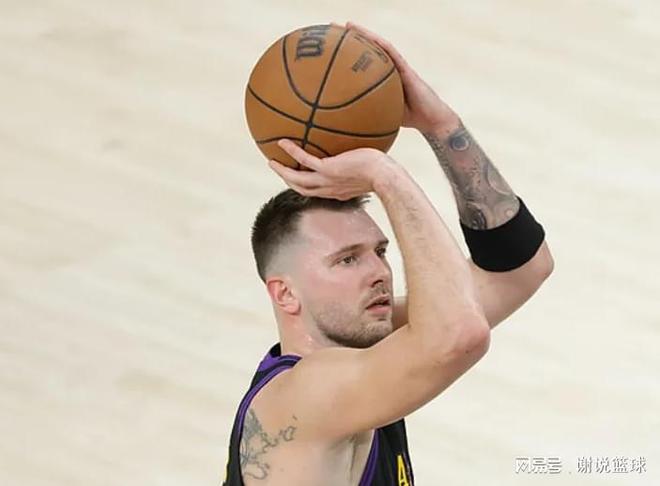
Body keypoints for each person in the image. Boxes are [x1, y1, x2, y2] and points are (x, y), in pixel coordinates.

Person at [222, 22, 554, 486]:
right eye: (347, 259)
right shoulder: (301, 396)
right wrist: (386, 175)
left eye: (379, 251)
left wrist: (441, 126)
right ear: (285, 294)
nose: (379, 271)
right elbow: (461, 333)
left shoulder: (365, 343)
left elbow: (522, 269)